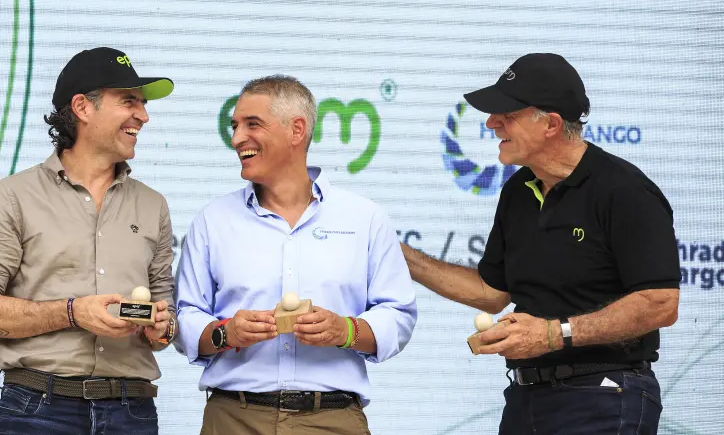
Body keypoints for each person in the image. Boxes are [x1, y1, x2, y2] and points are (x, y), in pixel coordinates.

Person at [402, 53, 680, 435]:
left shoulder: (624, 190)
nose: (490, 123)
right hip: (525, 400)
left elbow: (660, 304)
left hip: (605, 396)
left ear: (550, 123)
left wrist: (553, 334)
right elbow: (492, 292)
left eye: (507, 115)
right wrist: (401, 257)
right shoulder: (518, 189)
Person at [175, 75, 417, 435]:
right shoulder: (213, 219)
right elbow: (184, 317)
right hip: (232, 419)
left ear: (297, 130)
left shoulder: (364, 217)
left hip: (334, 421)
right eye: (235, 125)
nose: (237, 138)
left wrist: (345, 330)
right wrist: (227, 333)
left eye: (251, 124)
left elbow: (398, 314)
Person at [0, 47, 178, 435]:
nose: (143, 115)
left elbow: (164, 317)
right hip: (37, 410)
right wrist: (74, 312)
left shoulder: (153, 204)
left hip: (133, 413)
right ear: (82, 106)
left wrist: (162, 325)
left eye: (142, 104)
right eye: (129, 101)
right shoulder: (12, 195)